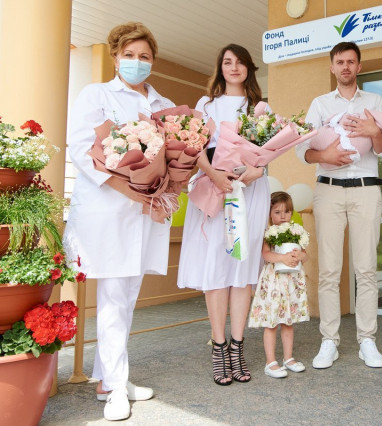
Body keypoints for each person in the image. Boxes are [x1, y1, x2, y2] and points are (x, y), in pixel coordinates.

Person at [63, 22, 175, 421]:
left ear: (152, 61)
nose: (136, 62)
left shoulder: (163, 105)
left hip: (145, 214)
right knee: (113, 299)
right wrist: (130, 190)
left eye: (144, 56)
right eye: (129, 55)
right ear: (115, 57)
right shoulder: (96, 95)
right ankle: (115, 388)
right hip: (108, 210)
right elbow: (82, 148)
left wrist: (164, 192)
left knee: (126, 299)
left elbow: (175, 157)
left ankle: (108, 379)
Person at [177, 44, 269, 386]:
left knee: (242, 268)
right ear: (220, 68)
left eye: (240, 62)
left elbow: (268, 150)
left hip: (250, 190)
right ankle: (218, 346)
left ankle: (238, 346)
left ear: (249, 68)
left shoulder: (261, 107)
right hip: (215, 187)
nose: (234, 67)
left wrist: (257, 170)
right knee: (216, 266)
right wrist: (214, 174)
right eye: (227, 62)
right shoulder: (206, 105)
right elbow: (195, 147)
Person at [296, 42, 382, 369]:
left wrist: (374, 130)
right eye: (340, 62)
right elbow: (302, 150)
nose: (345, 66)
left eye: (351, 61)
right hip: (329, 189)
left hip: (366, 189)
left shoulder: (374, 102)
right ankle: (329, 341)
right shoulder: (319, 104)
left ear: (359, 66)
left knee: (366, 269)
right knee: (329, 271)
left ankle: (367, 340)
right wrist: (325, 155)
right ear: (332, 67)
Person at [248, 191, 309, 378]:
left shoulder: (296, 232)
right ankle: (270, 362)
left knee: (288, 321)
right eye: (277, 212)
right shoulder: (269, 233)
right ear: (269, 214)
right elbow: (266, 254)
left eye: (287, 212)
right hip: (274, 281)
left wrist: (300, 255)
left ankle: (288, 358)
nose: (283, 216)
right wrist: (282, 257)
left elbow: (305, 255)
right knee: (272, 322)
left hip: (291, 281)